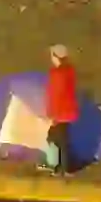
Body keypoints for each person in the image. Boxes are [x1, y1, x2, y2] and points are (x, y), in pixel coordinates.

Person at [44, 44, 78, 175]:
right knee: (60, 140)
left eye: (52, 55)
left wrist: (52, 115)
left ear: (57, 57)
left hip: (60, 113)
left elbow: (55, 95)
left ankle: (61, 167)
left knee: (56, 140)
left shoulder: (57, 74)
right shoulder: (69, 71)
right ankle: (61, 167)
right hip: (67, 112)